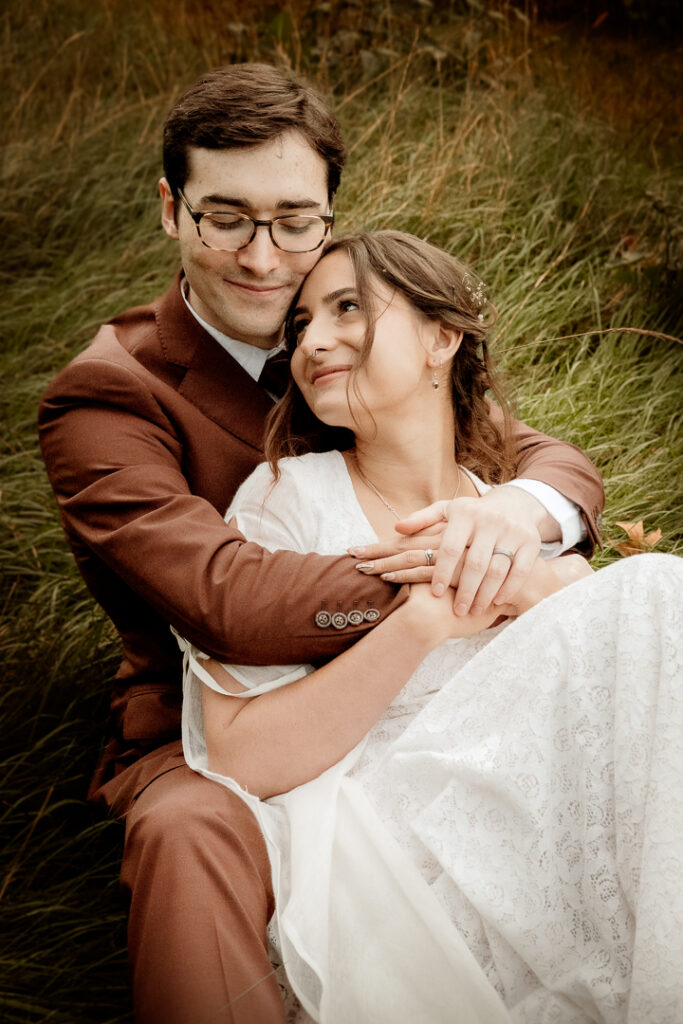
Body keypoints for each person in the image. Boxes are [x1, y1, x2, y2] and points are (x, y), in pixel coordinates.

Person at [37, 65, 604, 1024]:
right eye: (227, 218)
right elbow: (225, 596)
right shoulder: (108, 393)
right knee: (190, 828)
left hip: (437, 687)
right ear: (172, 209)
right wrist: (466, 579)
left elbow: (536, 456)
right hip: (204, 717)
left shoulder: (356, 330)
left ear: (328, 213)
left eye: (295, 220)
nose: (265, 257)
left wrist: (525, 518)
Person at [180, 231, 683, 1024]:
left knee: (658, 594)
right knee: (656, 587)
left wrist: (541, 586)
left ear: (440, 339)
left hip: (542, 811)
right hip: (390, 832)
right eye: (300, 324)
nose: (313, 341)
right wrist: (418, 625)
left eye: (347, 308)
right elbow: (241, 754)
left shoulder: (510, 507)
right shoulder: (286, 502)